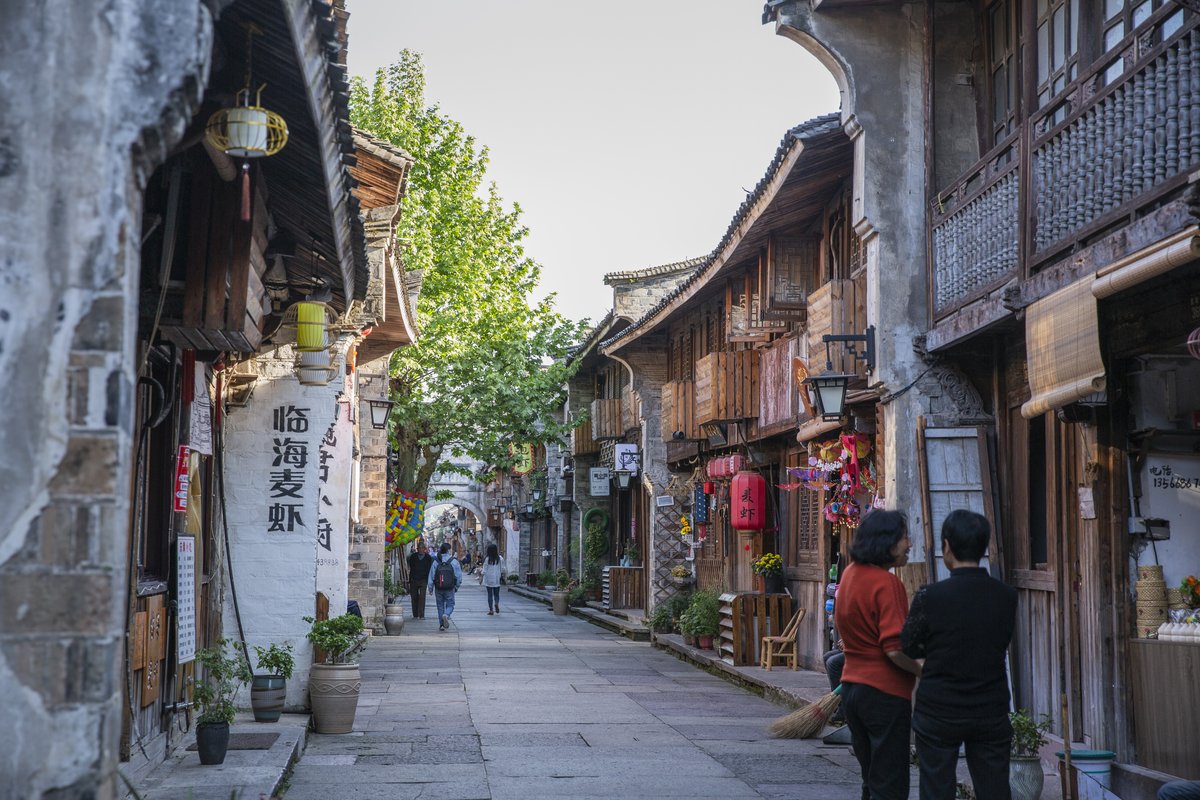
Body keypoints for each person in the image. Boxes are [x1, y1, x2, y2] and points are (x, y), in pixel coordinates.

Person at [901, 509, 1018, 800]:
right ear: (983, 548)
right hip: (989, 706)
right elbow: (1002, 641)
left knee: (936, 787)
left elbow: (909, 646)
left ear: (947, 547)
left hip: (939, 706)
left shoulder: (931, 596)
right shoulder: (1006, 595)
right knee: (994, 788)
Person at [834, 509, 923, 800]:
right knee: (890, 784)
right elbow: (894, 649)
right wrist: (925, 670)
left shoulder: (849, 574)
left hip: (852, 690)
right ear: (886, 541)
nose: (909, 544)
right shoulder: (887, 583)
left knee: (871, 779)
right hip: (884, 693)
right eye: (904, 537)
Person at [427, 542, 463, 631]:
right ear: (449, 550)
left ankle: (442, 625)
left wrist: (430, 588)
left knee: (440, 606)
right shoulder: (454, 561)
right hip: (450, 587)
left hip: (438, 587)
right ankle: (446, 615)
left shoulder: (436, 561)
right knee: (450, 604)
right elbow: (459, 576)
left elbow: (431, 575)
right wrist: (457, 586)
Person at [406, 541, 433, 619]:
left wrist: (429, 580)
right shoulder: (413, 556)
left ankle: (421, 615)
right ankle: (415, 614)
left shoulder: (428, 558)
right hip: (414, 579)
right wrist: (410, 579)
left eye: (422, 548)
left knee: (422, 597)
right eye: (419, 548)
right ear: (417, 549)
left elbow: (429, 569)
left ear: (424, 549)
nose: (420, 550)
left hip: (423, 579)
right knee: (414, 597)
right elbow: (411, 567)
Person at [482, 543, 506, 615]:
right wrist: (502, 574)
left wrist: (481, 576)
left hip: (488, 579)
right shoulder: (500, 558)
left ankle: (491, 610)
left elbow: (484, 569)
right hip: (496, 579)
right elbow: (503, 569)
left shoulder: (487, 559)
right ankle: (496, 603)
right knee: (496, 594)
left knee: (489, 594)